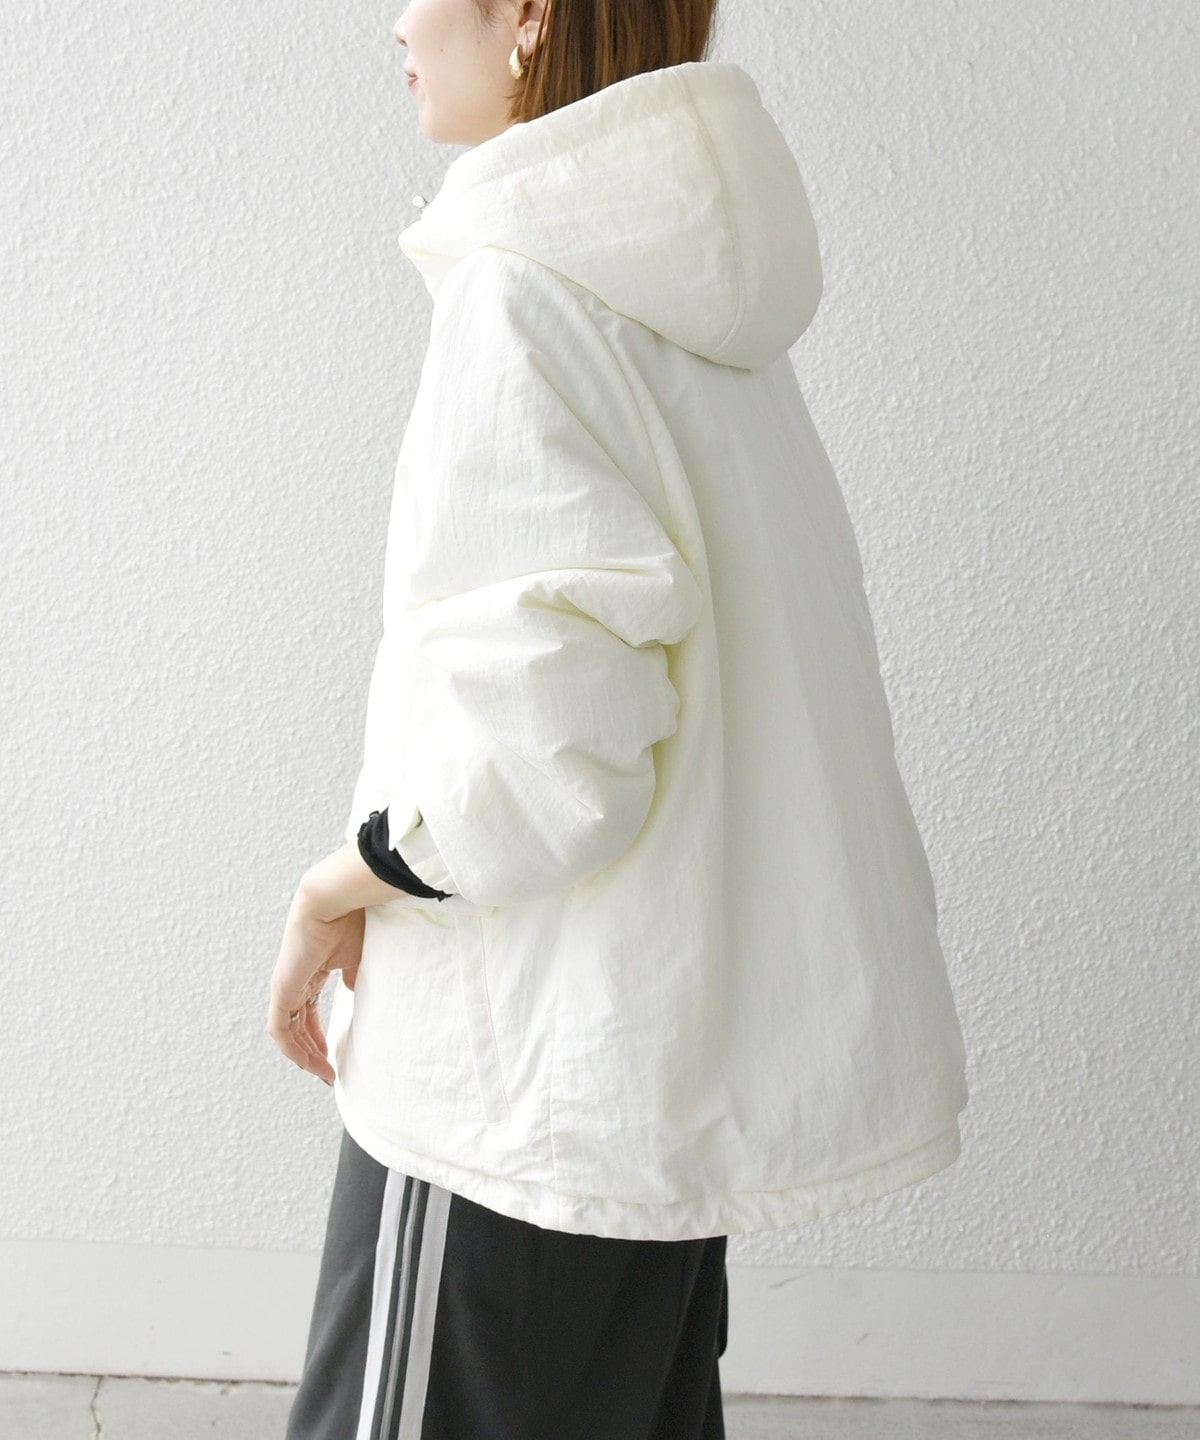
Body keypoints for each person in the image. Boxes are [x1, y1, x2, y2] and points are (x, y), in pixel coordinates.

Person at [267, 0, 970, 1435]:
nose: (396, 22)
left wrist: (345, 879)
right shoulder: (688, 299)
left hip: (520, 1078)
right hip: (646, 1076)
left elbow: (546, 753)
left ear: (528, 17)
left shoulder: (525, 298)